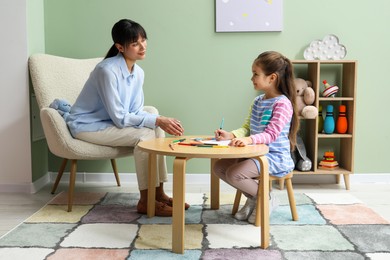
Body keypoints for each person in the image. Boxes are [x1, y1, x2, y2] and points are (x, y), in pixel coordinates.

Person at [66, 19, 189, 216]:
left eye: (143, 40)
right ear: (120, 47)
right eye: (135, 43)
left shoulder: (138, 72)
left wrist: (158, 120)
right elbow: (120, 118)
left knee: (155, 128)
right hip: (87, 126)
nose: (142, 47)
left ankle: (159, 194)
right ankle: (145, 200)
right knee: (146, 136)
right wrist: (157, 120)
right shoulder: (106, 71)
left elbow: (136, 111)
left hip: (107, 124)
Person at [213, 51, 299, 224]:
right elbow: (247, 128)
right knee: (219, 167)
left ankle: (266, 198)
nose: (252, 78)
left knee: (235, 173)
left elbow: (271, 134)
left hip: (274, 157)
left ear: (272, 78)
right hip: (254, 154)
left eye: (255, 74)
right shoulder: (258, 101)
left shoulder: (282, 104)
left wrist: (248, 140)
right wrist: (231, 135)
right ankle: (255, 197)